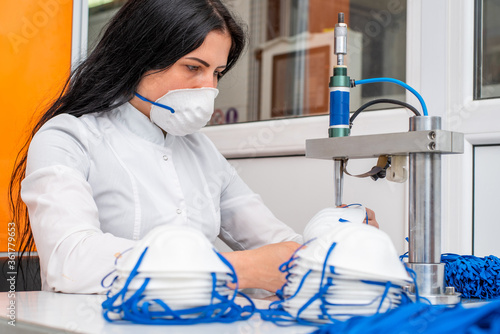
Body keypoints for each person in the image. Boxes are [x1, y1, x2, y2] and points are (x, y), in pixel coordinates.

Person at [9, 0, 378, 294]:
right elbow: (70, 263)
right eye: (193, 67)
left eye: (216, 73)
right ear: (139, 57)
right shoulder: (68, 138)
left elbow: (277, 243)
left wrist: (339, 237)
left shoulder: (201, 152)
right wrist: (236, 269)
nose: (208, 89)